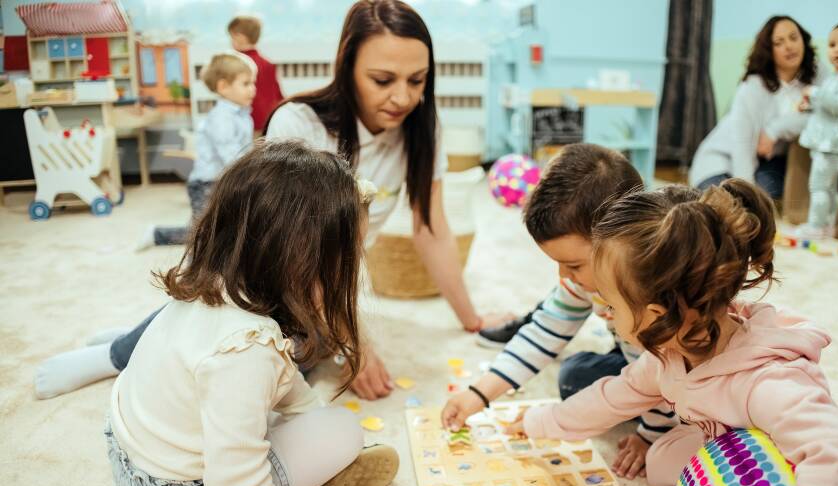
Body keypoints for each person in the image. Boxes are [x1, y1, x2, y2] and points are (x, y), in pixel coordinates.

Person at [34, 0, 506, 401]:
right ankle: (116, 354)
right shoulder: (299, 123)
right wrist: (354, 340)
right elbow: (293, 258)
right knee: (230, 348)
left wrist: (471, 319)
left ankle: (144, 339)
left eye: (417, 80)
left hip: (320, 286)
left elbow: (432, 229)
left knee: (292, 375)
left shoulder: (425, 131)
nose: (403, 97)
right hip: (260, 271)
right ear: (347, 66)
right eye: (383, 80)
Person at [509, 179, 838, 486]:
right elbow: (613, 396)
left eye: (612, 306)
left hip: (779, 467)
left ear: (654, 315)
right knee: (659, 461)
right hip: (720, 439)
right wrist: (539, 422)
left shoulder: (768, 382)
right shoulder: (670, 353)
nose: (605, 313)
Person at [106, 140, 399, 486]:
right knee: (344, 430)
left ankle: (306, 458)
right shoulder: (246, 350)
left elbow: (288, 385)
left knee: (290, 418)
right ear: (300, 264)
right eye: (348, 258)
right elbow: (233, 476)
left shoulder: (215, 288)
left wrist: (308, 421)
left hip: (130, 458)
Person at [441, 143, 679, 480]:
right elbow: (543, 332)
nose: (564, 277)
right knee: (573, 378)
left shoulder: (660, 290)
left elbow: (665, 373)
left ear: (621, 241)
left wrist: (649, 436)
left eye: (573, 265)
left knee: (671, 446)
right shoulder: (584, 280)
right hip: (636, 362)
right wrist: (480, 392)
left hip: (682, 377)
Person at [689, 16, 820, 200]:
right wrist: (748, 194)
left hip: (769, 162)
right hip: (722, 158)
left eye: (793, 37)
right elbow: (742, 145)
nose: (789, 46)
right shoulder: (752, 87)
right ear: (769, 50)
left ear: (803, 40)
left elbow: (822, 118)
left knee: (768, 193)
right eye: (779, 42)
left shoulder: (817, 75)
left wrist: (774, 130)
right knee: (725, 204)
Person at [137, 52, 255, 249]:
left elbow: (245, 150)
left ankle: (160, 237)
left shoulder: (243, 116)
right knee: (202, 233)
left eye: (253, 83)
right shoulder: (221, 117)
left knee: (220, 231)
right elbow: (232, 155)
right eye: (246, 83)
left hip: (224, 182)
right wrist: (252, 172)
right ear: (223, 87)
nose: (253, 89)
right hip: (207, 184)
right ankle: (162, 240)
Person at [795, 22, 838, 239]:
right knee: (829, 188)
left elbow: (837, 105)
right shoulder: (834, 78)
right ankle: (828, 226)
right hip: (826, 142)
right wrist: (808, 104)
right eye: (832, 44)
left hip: (832, 145)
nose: (837, 50)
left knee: (818, 186)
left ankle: (815, 226)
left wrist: (813, 92)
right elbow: (826, 107)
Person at [228, 15, 285, 135]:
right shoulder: (268, 64)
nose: (230, 41)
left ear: (240, 37)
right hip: (269, 124)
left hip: (246, 125)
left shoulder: (235, 64)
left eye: (232, 37)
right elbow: (278, 96)